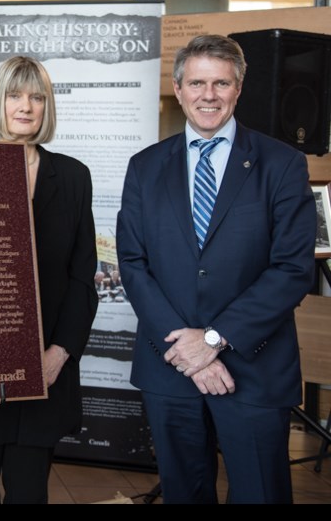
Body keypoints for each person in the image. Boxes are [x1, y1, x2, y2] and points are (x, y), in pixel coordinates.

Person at [116, 34, 316, 504]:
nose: (209, 95)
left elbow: (292, 269)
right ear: (178, 87)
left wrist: (211, 340)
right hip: (170, 369)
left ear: (239, 88)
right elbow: (133, 263)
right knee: (183, 493)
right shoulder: (145, 166)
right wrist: (186, 349)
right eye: (198, 83)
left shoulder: (282, 164)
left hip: (253, 366)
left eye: (221, 83)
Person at [0, 56, 98, 504]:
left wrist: (60, 353)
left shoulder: (72, 176)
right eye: (15, 95)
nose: (25, 106)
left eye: (37, 97)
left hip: (45, 370)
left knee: (29, 492)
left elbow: (82, 277)